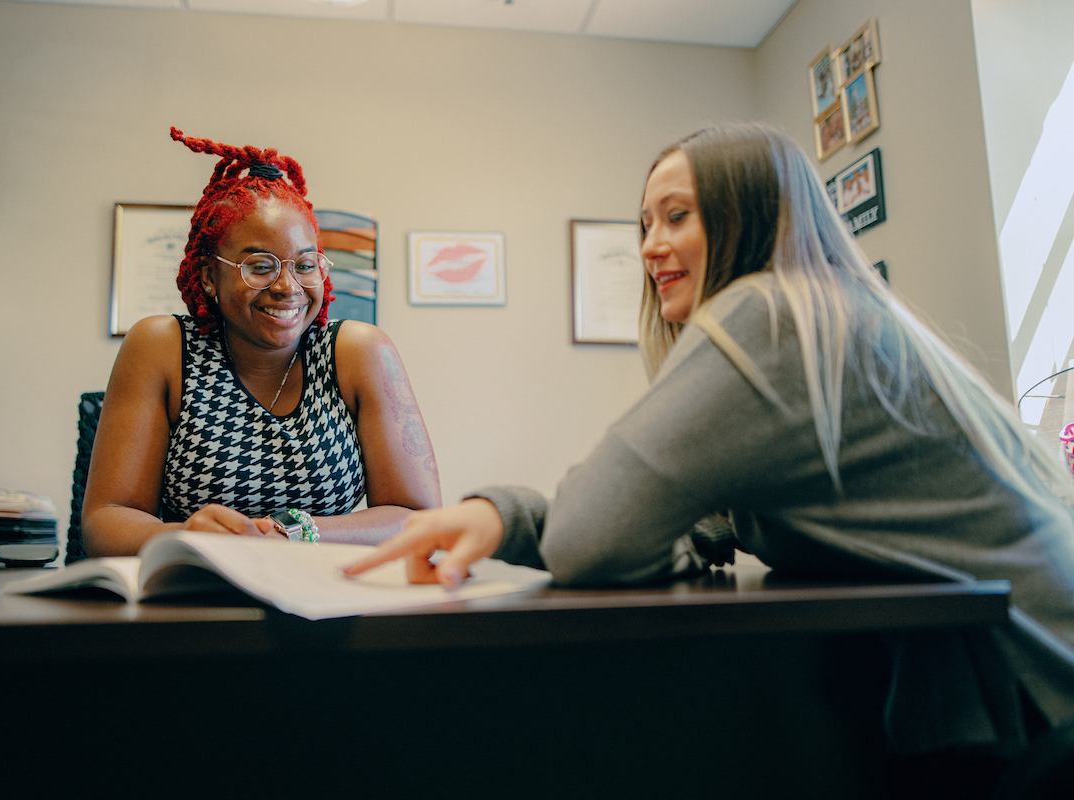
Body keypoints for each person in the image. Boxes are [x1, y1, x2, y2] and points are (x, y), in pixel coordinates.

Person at [346, 123, 1074, 777]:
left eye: (678, 216)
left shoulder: (770, 314)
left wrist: (527, 518)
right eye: (644, 223)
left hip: (1044, 703)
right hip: (1012, 686)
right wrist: (505, 519)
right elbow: (687, 521)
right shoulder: (830, 312)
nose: (650, 246)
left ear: (749, 215)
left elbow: (590, 537)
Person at [83, 128, 441, 556]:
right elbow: (106, 520)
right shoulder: (163, 347)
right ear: (208, 277)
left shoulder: (358, 352)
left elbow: (418, 518)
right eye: (259, 265)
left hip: (325, 600)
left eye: (305, 265)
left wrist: (290, 530)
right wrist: (186, 538)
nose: (288, 287)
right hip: (198, 598)